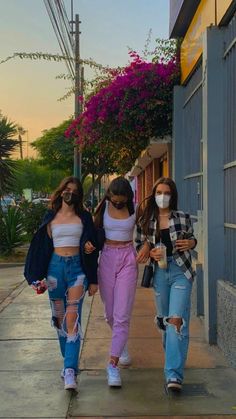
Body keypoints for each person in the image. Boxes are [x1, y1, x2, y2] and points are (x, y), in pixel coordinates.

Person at [24, 176, 98, 390]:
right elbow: (41, 249)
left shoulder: (84, 217)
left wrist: (92, 276)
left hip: (77, 270)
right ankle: (69, 362)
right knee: (59, 318)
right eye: (67, 189)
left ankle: (69, 371)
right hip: (55, 269)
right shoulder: (50, 217)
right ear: (61, 191)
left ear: (79, 195)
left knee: (72, 317)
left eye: (75, 191)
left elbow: (92, 245)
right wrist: (35, 277)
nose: (70, 193)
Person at [135, 177, 197, 393]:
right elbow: (138, 245)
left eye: (167, 192)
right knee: (165, 321)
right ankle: (173, 356)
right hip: (160, 273)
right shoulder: (145, 219)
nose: (163, 196)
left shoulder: (182, 217)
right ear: (154, 194)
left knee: (176, 320)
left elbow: (192, 239)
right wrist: (147, 250)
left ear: (173, 195)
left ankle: (174, 375)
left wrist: (191, 243)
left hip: (181, 270)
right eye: (159, 192)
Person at [94, 176, 138, 387]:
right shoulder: (102, 209)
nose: (118, 203)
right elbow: (92, 235)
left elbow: (148, 232)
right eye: (115, 200)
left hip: (128, 258)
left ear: (128, 197)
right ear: (109, 195)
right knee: (110, 314)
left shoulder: (135, 209)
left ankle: (112, 365)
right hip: (107, 258)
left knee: (121, 315)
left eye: (122, 200)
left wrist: (146, 246)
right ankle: (121, 344)